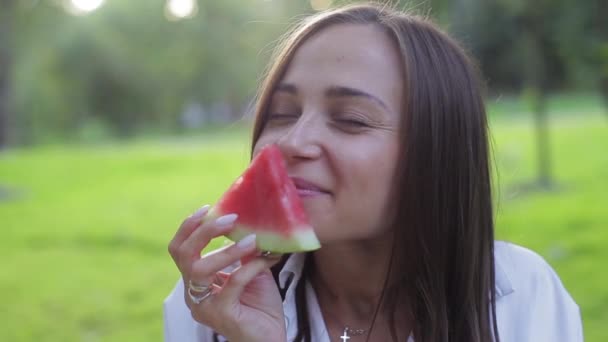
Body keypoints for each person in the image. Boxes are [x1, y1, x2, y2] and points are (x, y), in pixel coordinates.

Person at [163, 3, 583, 342]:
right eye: (281, 113)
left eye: (351, 119)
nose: (292, 141)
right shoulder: (211, 307)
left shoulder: (523, 296)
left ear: (436, 149)